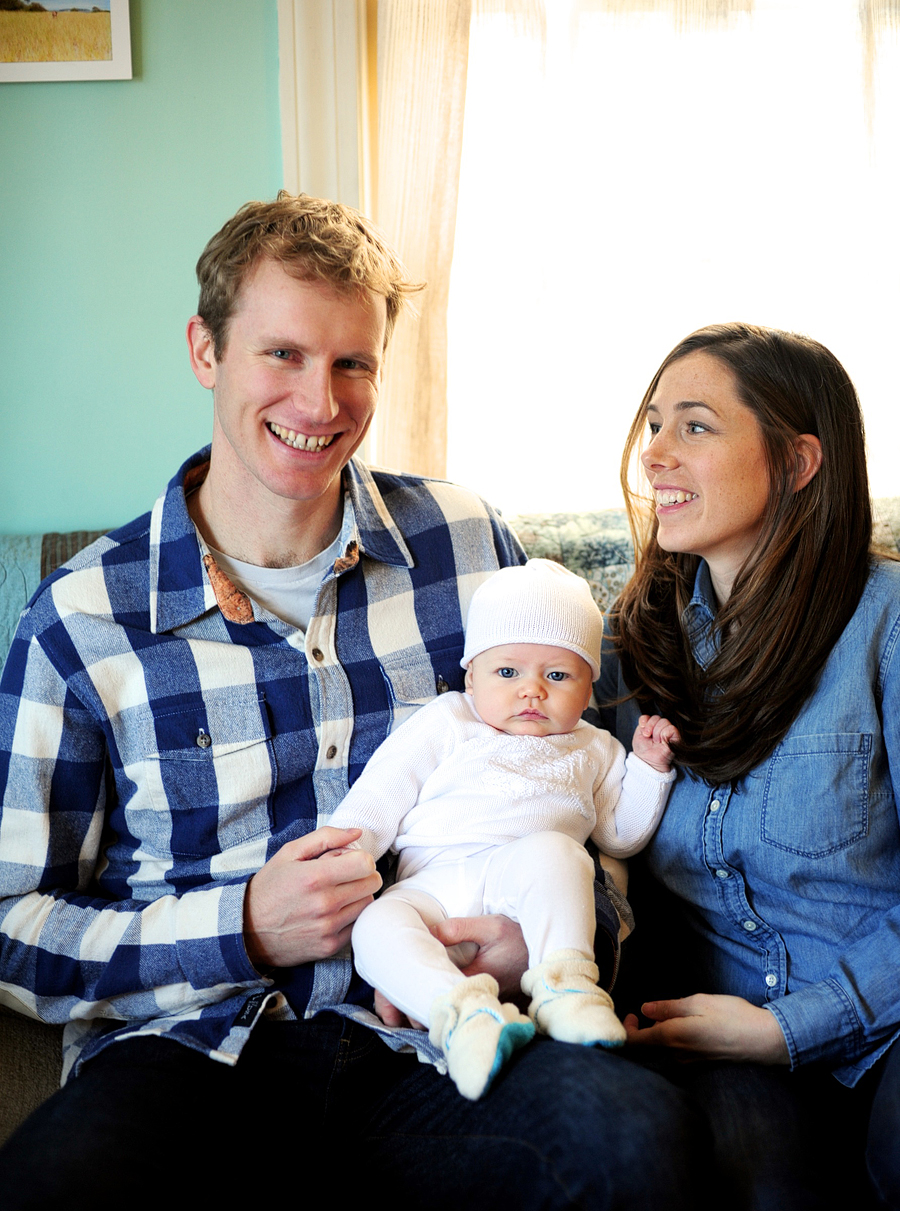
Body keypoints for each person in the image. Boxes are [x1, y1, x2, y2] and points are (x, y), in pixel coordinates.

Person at [0, 193, 702, 1209]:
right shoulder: (83, 616)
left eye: (352, 363)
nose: (319, 400)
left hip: (446, 1040)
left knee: (630, 1142)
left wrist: (555, 932)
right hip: (192, 1052)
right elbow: (12, 921)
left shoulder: (472, 547)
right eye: (281, 354)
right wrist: (241, 924)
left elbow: (587, 783)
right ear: (207, 350)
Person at [595, 321, 900, 1209]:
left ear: (800, 463)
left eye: (694, 426)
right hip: (711, 1036)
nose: (654, 455)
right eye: (653, 424)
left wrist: (786, 1028)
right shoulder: (631, 643)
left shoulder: (886, 623)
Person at [329, 558, 678, 1099]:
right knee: (374, 928)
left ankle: (568, 990)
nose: (532, 691)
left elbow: (619, 837)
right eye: (508, 673)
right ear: (472, 676)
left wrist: (649, 771)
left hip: (524, 894)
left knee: (561, 856)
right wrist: (346, 853)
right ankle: (464, 1017)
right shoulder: (449, 720)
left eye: (558, 675)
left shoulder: (595, 747)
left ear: (588, 687)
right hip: (431, 888)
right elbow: (382, 793)